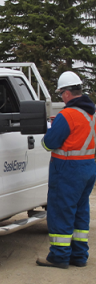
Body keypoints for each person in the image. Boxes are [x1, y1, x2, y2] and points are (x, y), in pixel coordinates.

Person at [36, 71, 96, 269]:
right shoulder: (92, 112)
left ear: (68, 93)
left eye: (61, 93)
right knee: (80, 211)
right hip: (88, 167)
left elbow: (49, 143)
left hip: (67, 169)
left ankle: (59, 256)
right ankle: (79, 256)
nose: (61, 97)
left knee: (61, 210)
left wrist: (51, 128)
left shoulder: (67, 114)